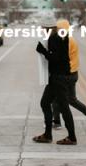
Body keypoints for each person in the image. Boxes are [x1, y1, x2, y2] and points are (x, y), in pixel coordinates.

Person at [33, 16, 78, 145]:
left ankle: (72, 137)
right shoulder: (59, 36)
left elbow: (55, 59)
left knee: (63, 107)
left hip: (59, 77)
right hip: (58, 77)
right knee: (45, 103)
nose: (42, 30)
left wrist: (43, 51)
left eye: (43, 28)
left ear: (47, 28)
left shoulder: (54, 38)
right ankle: (48, 134)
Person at [51, 19, 86, 131]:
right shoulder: (70, 39)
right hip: (73, 73)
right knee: (71, 99)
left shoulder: (65, 41)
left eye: (57, 29)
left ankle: (57, 122)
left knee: (55, 98)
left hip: (66, 74)